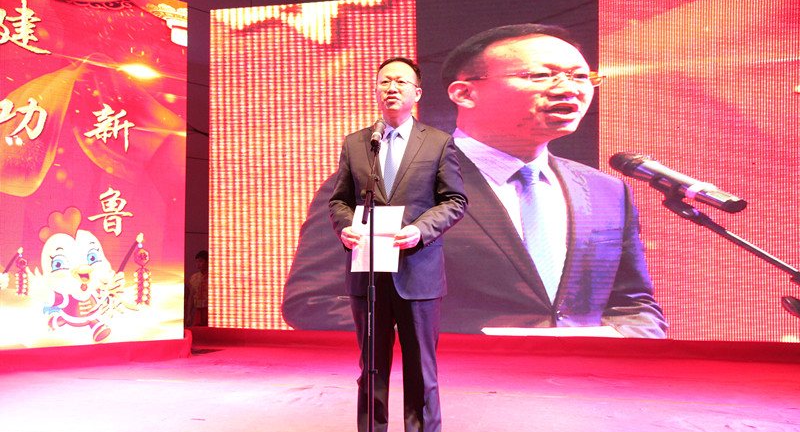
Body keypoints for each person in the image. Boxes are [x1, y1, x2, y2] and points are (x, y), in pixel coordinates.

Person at [282, 24, 666, 339]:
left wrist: (623, 339)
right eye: (540, 75)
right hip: (458, 389)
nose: (570, 88)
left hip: (593, 390)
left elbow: (634, 305)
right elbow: (321, 303)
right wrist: (475, 344)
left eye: (581, 76)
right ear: (464, 93)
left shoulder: (605, 190)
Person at [329, 57, 467, 432]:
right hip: (368, 273)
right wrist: (345, 226)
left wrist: (421, 229)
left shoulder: (438, 143)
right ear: (376, 89)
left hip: (417, 273)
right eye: (385, 81)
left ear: (416, 94)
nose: (392, 87)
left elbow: (455, 200)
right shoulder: (357, 143)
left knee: (421, 371)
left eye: (401, 81)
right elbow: (339, 201)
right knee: (370, 370)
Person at [186, 250, 208, 326]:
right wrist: (189, 314)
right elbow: (191, 297)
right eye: (197, 262)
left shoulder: (213, 276)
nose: (198, 264)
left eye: (201, 261)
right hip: (198, 310)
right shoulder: (194, 278)